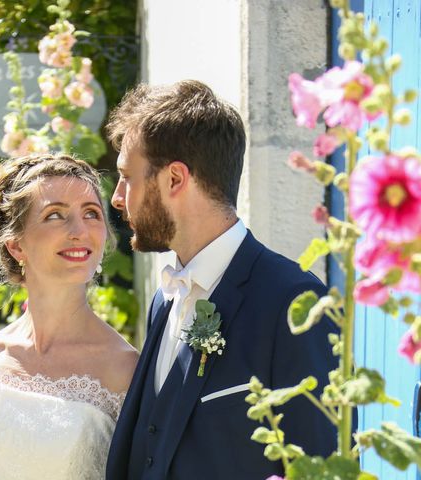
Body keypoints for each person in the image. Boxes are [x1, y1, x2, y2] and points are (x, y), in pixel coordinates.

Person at [105, 80, 338, 479]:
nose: (117, 197)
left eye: (127, 177)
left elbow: (318, 466)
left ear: (175, 179)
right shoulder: (166, 299)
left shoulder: (293, 303)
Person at [0, 153, 139, 480]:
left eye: (92, 213)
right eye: (56, 215)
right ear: (15, 246)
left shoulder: (125, 371)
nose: (80, 230)